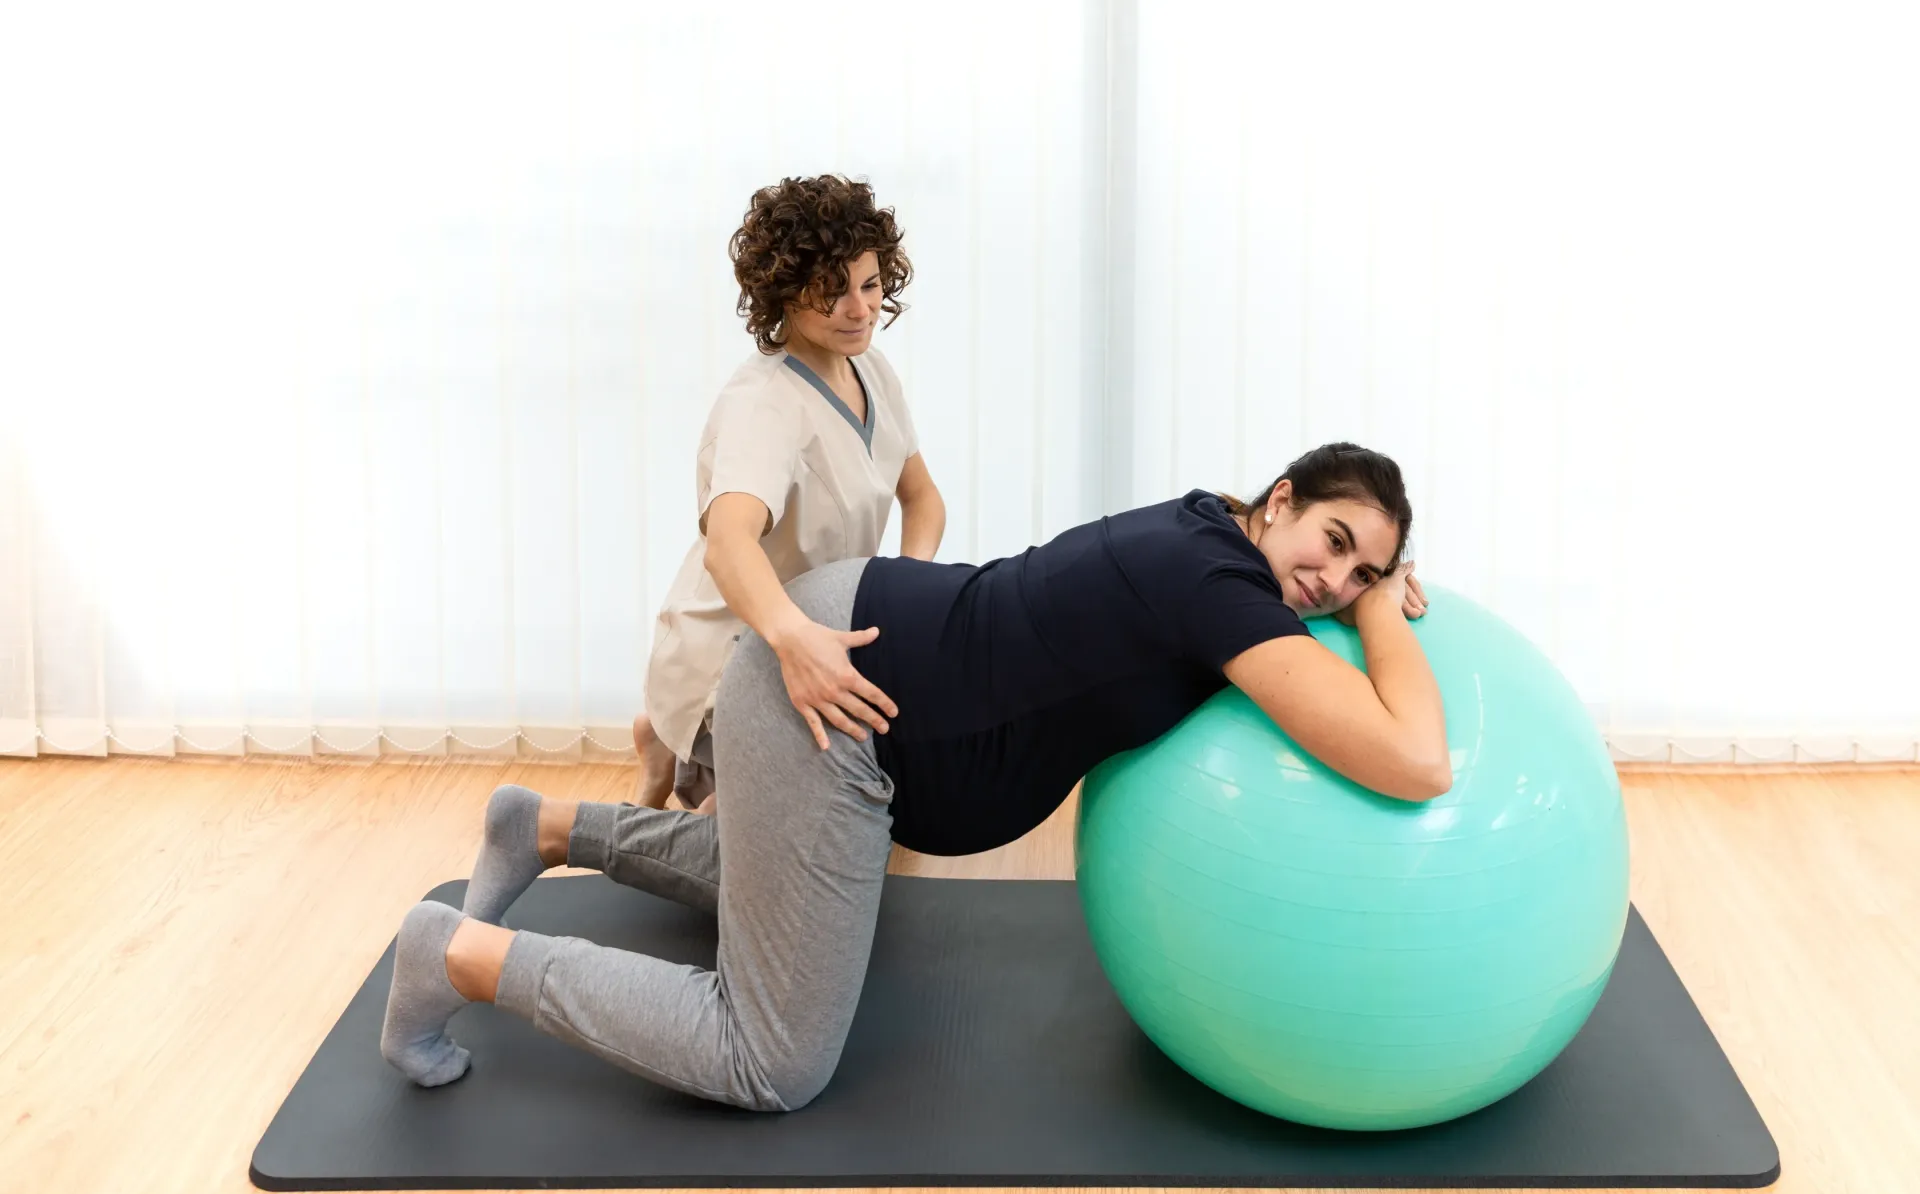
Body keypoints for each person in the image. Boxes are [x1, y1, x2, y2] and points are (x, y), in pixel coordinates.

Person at [381, 443, 1442, 1112]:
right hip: (834, 698)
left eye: (1362, 574)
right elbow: (1414, 761)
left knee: (797, 875)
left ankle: (550, 826)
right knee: (772, 1058)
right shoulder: (1218, 587)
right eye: (1334, 543)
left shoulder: (1212, 525)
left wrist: (1359, 589)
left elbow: (1274, 574)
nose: (1333, 583)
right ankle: (461, 956)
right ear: (1283, 497)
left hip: (860, 654)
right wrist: (1388, 613)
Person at [634, 174, 947, 812]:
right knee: (793, 809)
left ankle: (664, 750)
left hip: (820, 631)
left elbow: (923, 498)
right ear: (784, 294)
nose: (860, 311)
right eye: (833, 294)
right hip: (733, 651)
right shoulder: (765, 405)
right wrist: (793, 639)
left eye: (870, 284)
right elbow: (727, 546)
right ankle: (665, 747)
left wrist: (908, 594)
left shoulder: (872, 372)